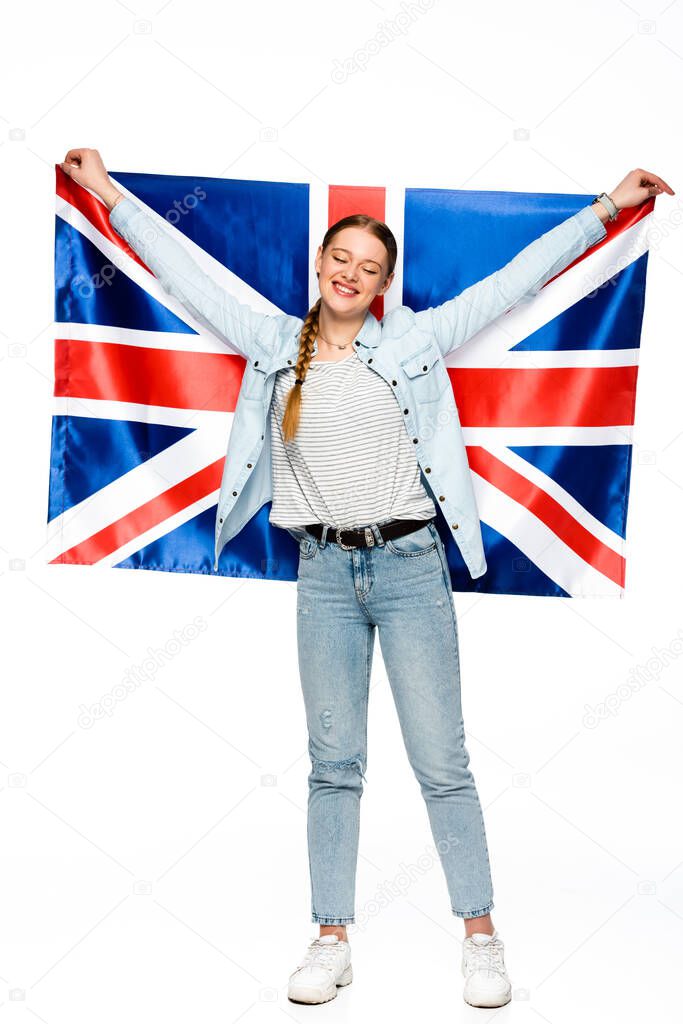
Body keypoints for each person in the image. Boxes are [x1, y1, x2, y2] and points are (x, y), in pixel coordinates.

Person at [60, 150, 673, 1008]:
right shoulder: (276, 343)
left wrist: (610, 206)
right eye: (340, 259)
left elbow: (513, 283)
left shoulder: (415, 341)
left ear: (383, 285)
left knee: (441, 762)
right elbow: (187, 274)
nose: (351, 275)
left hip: (409, 567)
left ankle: (481, 936)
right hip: (321, 575)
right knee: (332, 764)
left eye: (369, 268)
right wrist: (106, 195)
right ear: (319, 266)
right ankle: (330, 938)